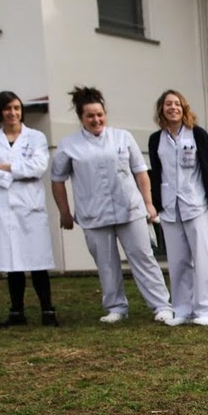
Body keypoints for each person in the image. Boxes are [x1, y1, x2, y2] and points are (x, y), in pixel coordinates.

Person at [50, 86, 173, 324]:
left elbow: (140, 172)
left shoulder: (123, 137)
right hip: (93, 213)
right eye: (90, 116)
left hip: (130, 208)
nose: (96, 120)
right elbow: (57, 180)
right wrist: (64, 213)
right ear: (81, 118)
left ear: (105, 114)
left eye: (99, 114)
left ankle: (161, 305)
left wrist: (149, 204)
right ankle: (116, 307)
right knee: (106, 263)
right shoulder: (69, 145)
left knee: (143, 256)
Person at [0, 90, 57, 327]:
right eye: (8, 108)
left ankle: (48, 311)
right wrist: (16, 173)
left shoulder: (36, 137)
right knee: (12, 263)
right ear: (0, 112)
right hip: (2, 208)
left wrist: (6, 168)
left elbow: (39, 166)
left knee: (37, 260)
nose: (13, 113)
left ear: (21, 111)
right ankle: (17, 312)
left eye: (17, 108)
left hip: (29, 207)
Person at [147, 89, 208, 327]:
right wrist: (156, 204)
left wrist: (207, 195)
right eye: (168, 104)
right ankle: (182, 309)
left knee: (203, 258)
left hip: (197, 204)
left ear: (184, 108)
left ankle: (206, 310)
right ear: (161, 110)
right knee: (177, 261)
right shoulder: (156, 139)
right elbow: (156, 173)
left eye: (177, 104)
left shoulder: (197, 135)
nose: (173, 108)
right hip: (170, 208)